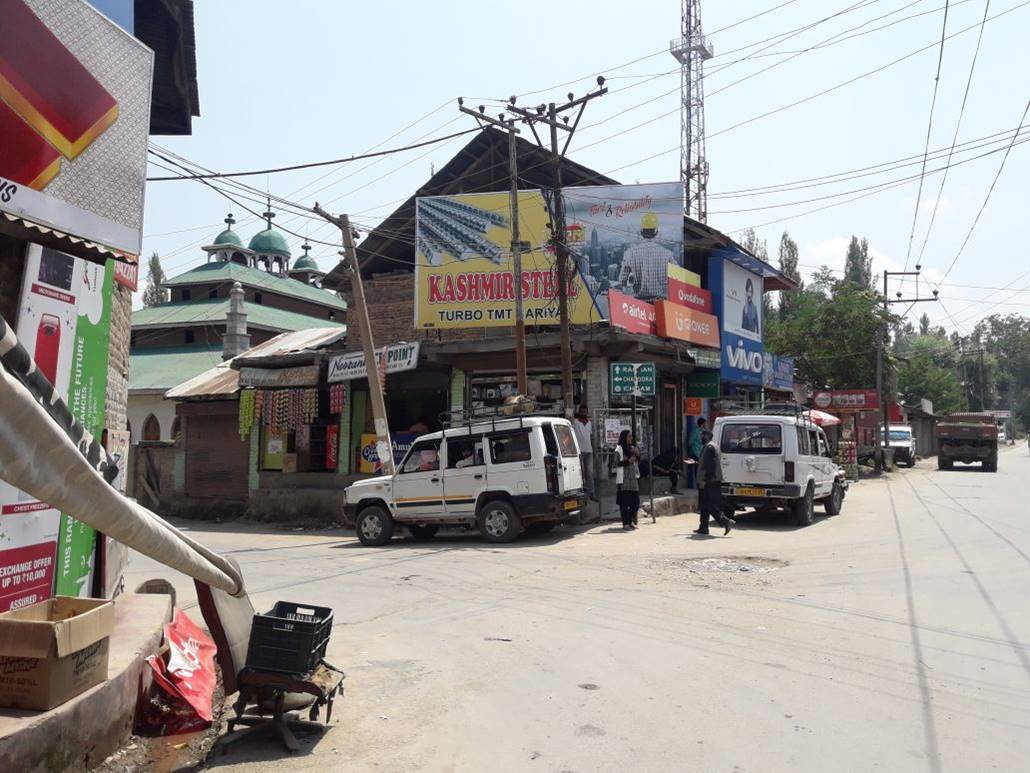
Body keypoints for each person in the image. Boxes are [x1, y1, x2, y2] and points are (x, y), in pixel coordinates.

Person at [616, 212, 678, 301]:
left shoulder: (629, 253)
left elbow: (622, 281)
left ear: (641, 231)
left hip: (638, 307)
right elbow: (678, 280)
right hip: (660, 304)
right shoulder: (667, 255)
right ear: (656, 232)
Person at [696, 430, 735, 536]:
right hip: (712, 480)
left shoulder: (709, 447)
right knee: (704, 504)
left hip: (709, 481)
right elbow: (708, 463)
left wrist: (705, 480)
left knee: (709, 504)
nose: (701, 438)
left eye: (702, 436)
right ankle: (703, 527)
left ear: (707, 436)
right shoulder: (712, 446)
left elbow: (710, 466)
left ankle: (726, 522)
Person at [615, 429, 641, 529]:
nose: (631, 438)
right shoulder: (619, 449)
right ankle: (626, 523)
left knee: (636, 503)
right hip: (623, 480)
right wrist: (627, 462)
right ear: (624, 438)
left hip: (633, 479)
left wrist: (638, 455)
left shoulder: (633, 448)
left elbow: (637, 461)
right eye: (629, 436)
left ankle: (630, 520)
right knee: (624, 503)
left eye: (631, 436)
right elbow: (615, 464)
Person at [573, 406, 595, 499]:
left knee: (589, 473)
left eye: (585, 412)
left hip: (589, 451)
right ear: (579, 412)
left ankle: (592, 493)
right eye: (582, 412)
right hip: (579, 451)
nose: (583, 413)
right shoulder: (575, 422)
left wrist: (594, 448)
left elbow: (591, 437)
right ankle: (580, 492)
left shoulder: (589, 423)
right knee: (580, 473)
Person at [686, 418, 706, 489]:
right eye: (704, 424)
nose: (705, 425)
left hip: (702, 453)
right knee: (697, 470)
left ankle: (701, 484)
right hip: (696, 453)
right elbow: (690, 442)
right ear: (702, 424)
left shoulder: (703, 432)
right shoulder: (695, 432)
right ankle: (698, 485)